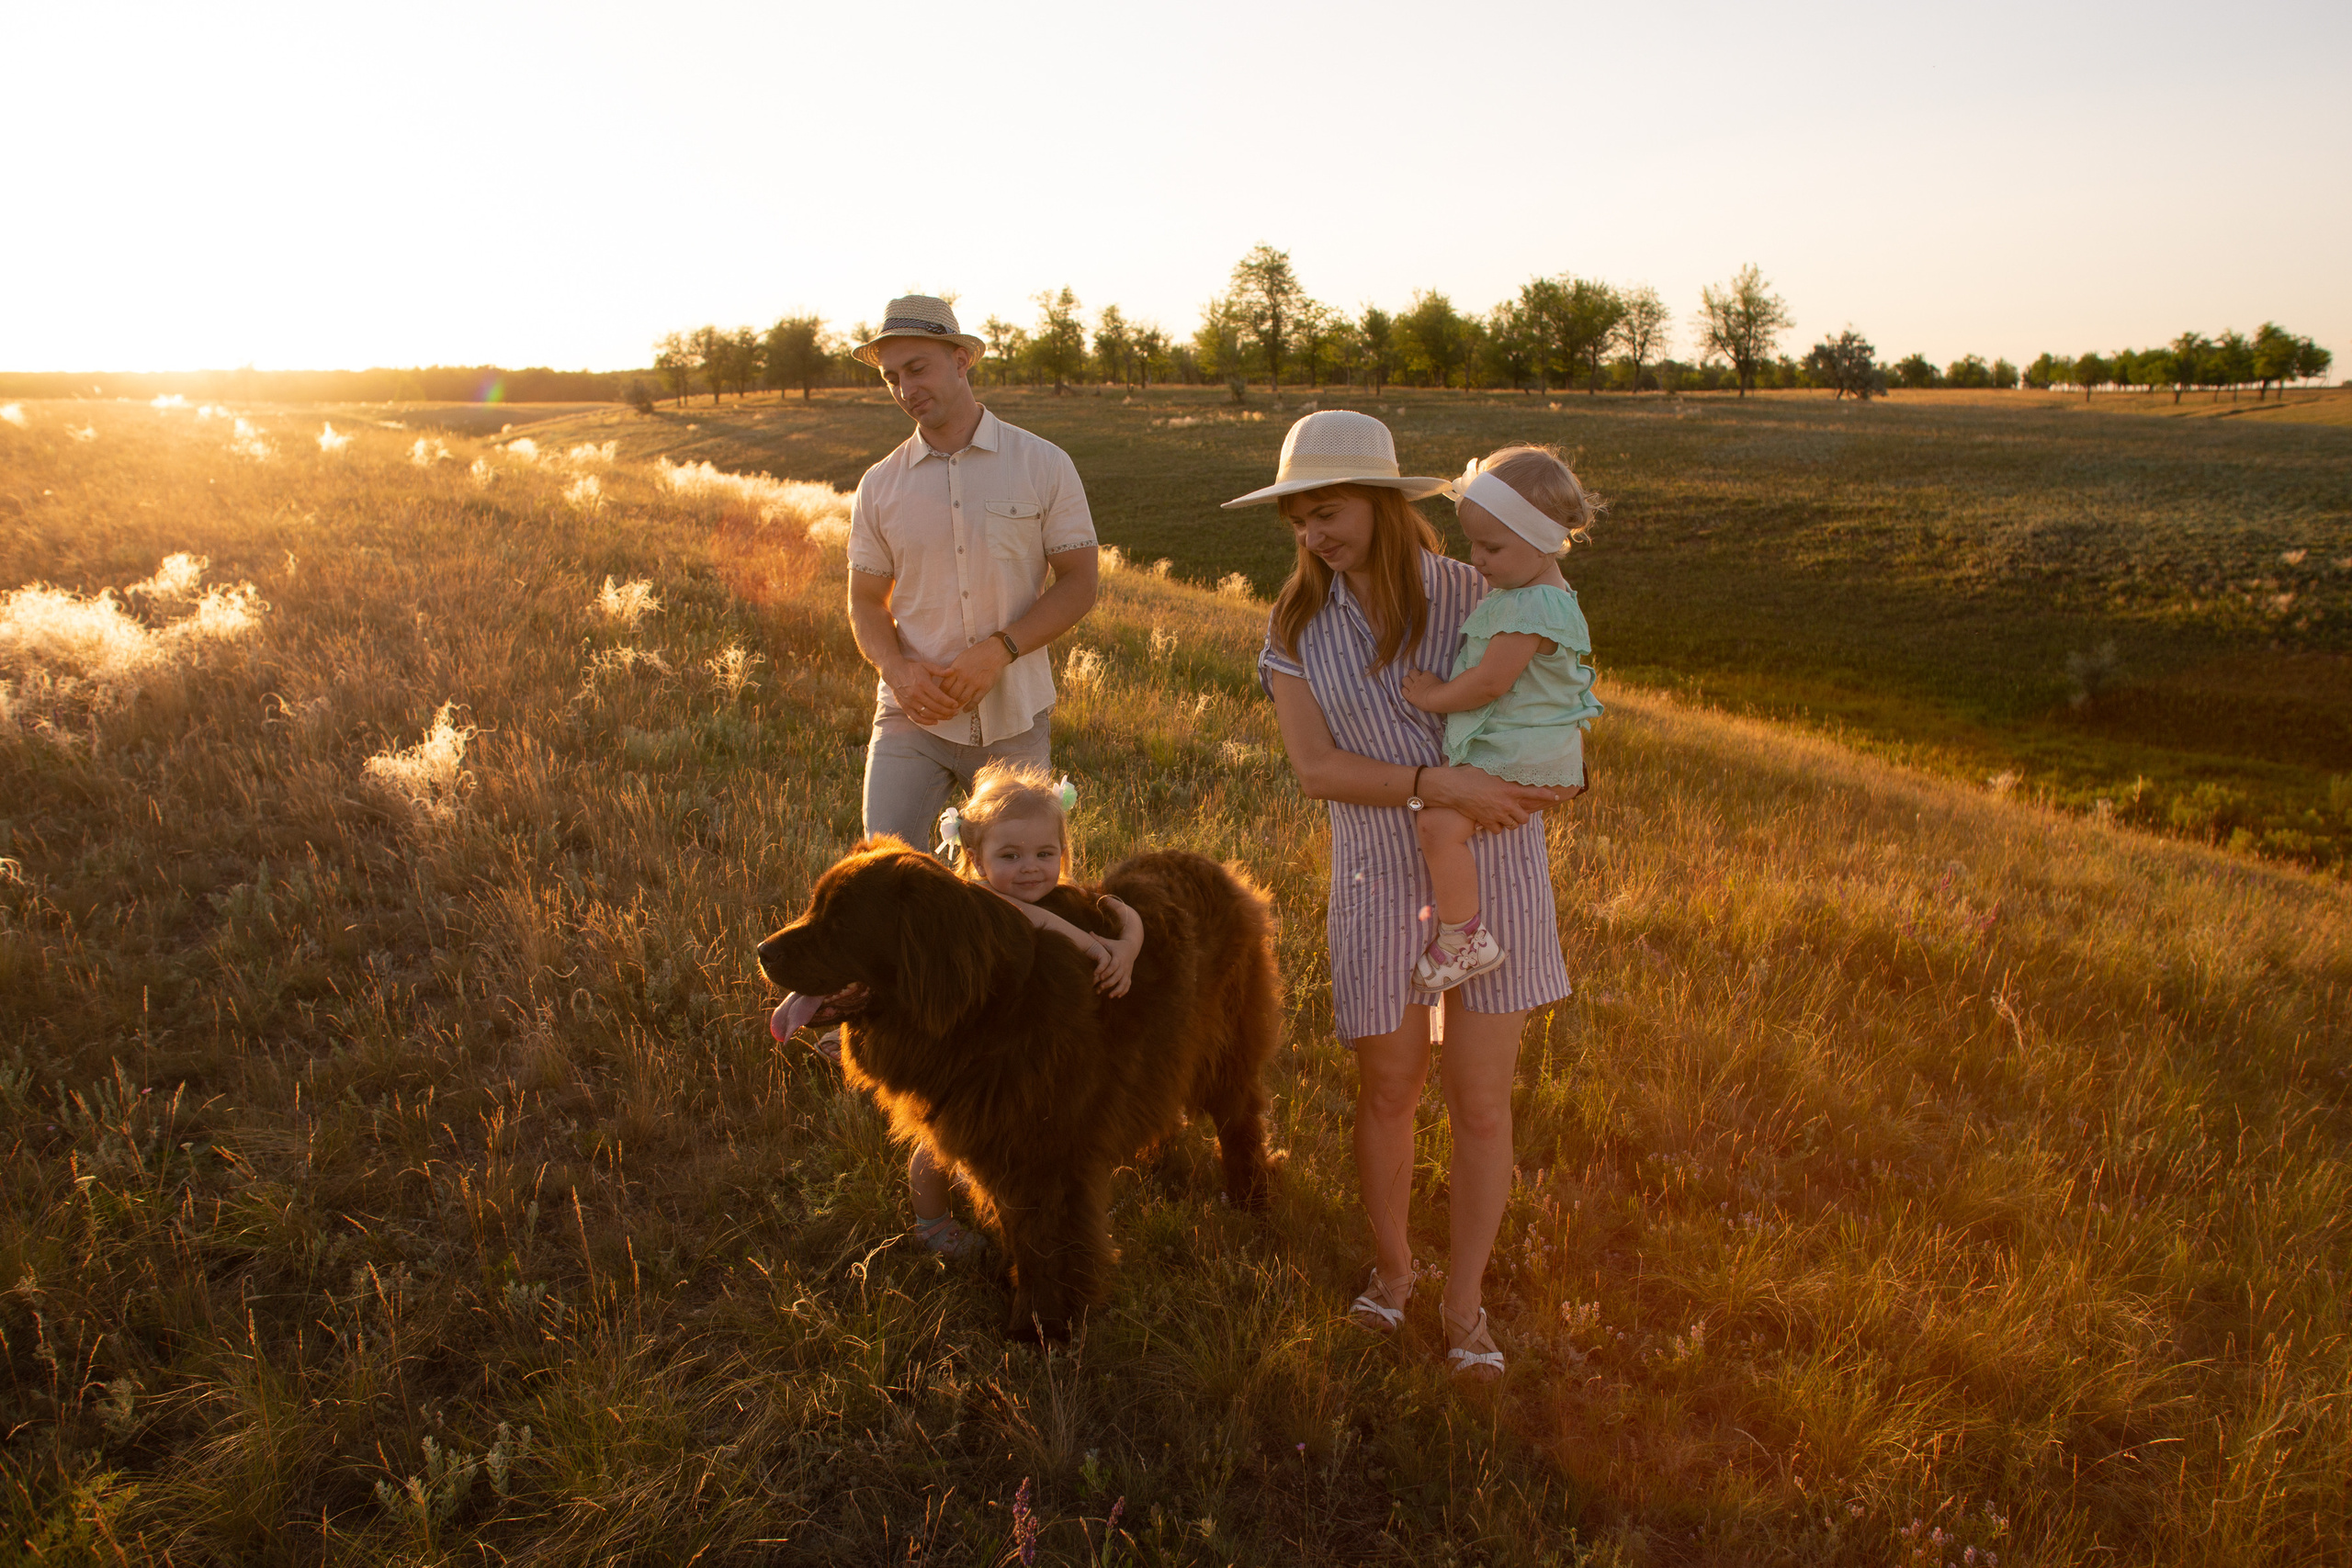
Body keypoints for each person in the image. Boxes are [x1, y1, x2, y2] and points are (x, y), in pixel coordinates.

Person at [1237, 411, 1572, 1382]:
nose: (1313, 535)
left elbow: (1555, 702)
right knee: (1388, 1088)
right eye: (1298, 519)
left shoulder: (1480, 590)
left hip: (1495, 870)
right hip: (1377, 874)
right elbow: (1315, 768)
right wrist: (1436, 785)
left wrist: (1544, 779)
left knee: (1481, 1104)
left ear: (1383, 503)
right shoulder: (1296, 625)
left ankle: (1464, 1305)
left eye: (1328, 512)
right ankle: (1393, 1275)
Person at [803, 295, 1102, 1063]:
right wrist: (898, 669)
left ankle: (1022, 1036)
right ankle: (868, 1036)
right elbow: (865, 605)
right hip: (910, 717)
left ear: (962, 359)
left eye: (918, 368)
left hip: (1012, 716)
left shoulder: (1042, 463)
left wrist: (1000, 650)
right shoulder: (880, 485)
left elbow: (1079, 582)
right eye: (891, 377)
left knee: (1022, 884)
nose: (906, 388)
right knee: (876, 880)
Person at [906, 761, 1145, 1256]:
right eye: (1010, 856)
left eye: (1045, 853)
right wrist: (1094, 946)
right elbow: (1027, 916)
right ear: (976, 860)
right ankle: (931, 1223)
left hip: (1010, 1047)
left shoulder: (1056, 896)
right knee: (937, 1140)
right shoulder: (975, 898)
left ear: (1063, 851)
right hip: (960, 1050)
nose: (1031, 867)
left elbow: (1122, 912)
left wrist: (1129, 945)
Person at [1398, 446, 1601, 991]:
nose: (1478, 559)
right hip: (1528, 751)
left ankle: (1464, 938)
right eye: (1473, 543)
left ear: (1541, 542)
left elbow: (1491, 682)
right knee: (1446, 825)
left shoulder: (1531, 606)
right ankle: (1465, 931)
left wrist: (1433, 696)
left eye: (1492, 546)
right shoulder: (1538, 593)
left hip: (1523, 755)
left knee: (1436, 826)